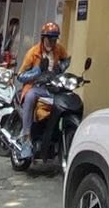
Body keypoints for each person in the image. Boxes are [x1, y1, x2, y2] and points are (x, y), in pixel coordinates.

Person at [15, 21, 70, 160]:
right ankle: (26, 139)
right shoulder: (33, 53)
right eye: (49, 39)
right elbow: (20, 76)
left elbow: (66, 59)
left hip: (53, 87)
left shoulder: (59, 49)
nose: (52, 42)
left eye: (54, 39)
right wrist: (37, 71)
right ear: (43, 38)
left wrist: (61, 67)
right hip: (36, 87)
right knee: (30, 97)